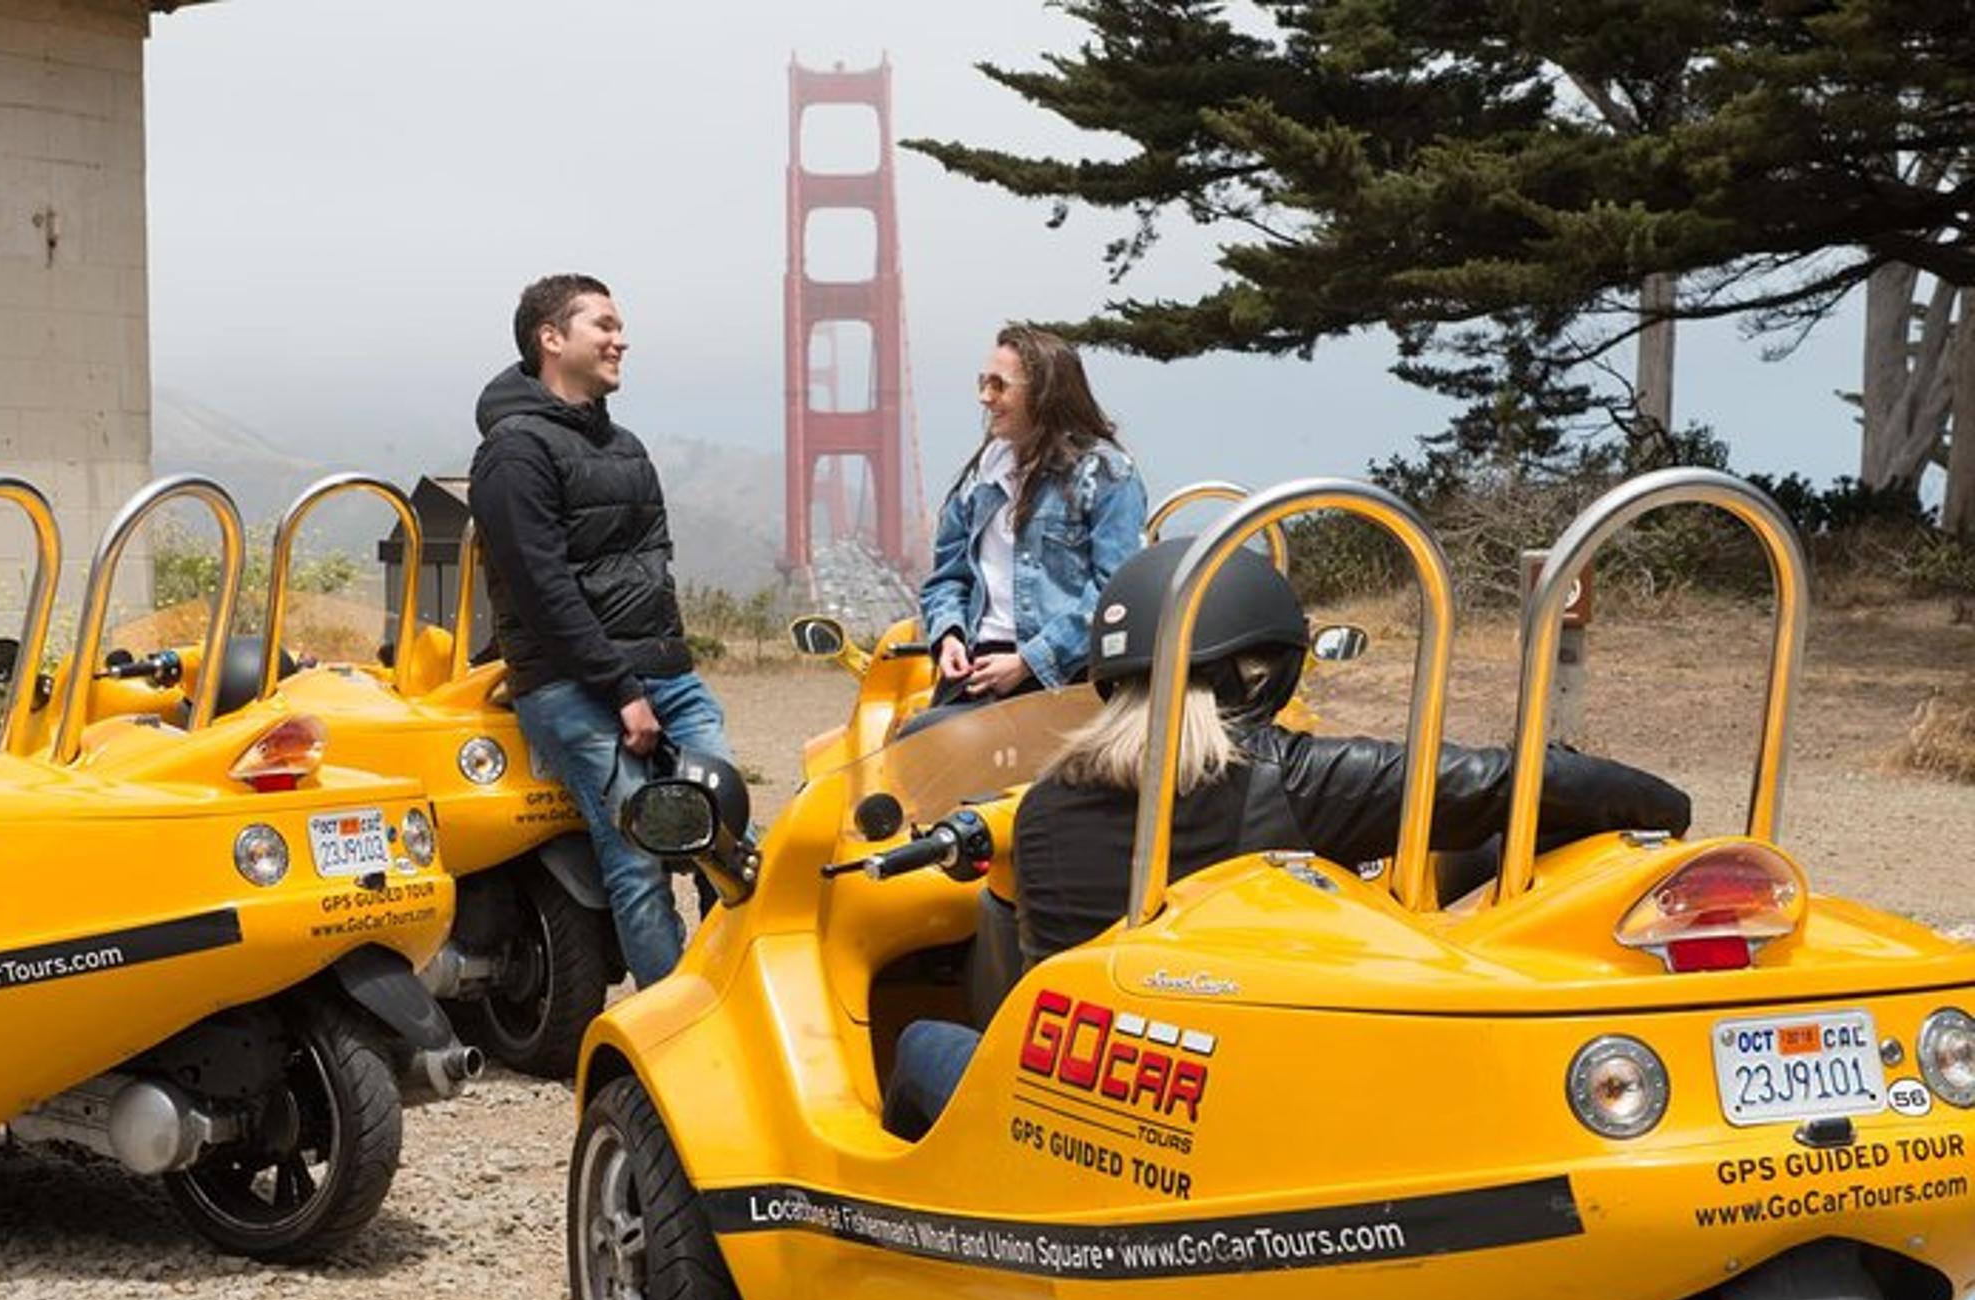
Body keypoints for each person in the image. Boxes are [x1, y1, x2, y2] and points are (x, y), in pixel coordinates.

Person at [882, 538, 1692, 1139]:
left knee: (922, 1037)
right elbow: (1503, 781)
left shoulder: (1045, 803)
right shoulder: (1292, 775)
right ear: (1255, 672)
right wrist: (1667, 805)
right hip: (1234, 1094)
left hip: (1070, 1095)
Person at [467, 274, 731, 987]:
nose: (621, 339)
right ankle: (672, 1025)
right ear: (552, 339)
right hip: (573, 686)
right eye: (604, 325)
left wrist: (666, 668)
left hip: (662, 674)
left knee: (726, 828)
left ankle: (732, 991)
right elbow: (543, 589)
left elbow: (649, 571)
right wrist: (621, 691)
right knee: (639, 855)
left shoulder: (626, 445)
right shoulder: (513, 452)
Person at [916, 324, 1147, 706]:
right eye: (982, 382)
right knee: (916, 752)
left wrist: (1029, 661)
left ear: (1044, 393)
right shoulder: (980, 477)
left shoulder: (1107, 475)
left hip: (1066, 676)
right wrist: (950, 637)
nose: (984, 397)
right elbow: (948, 578)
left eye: (998, 385)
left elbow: (1115, 592)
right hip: (978, 671)